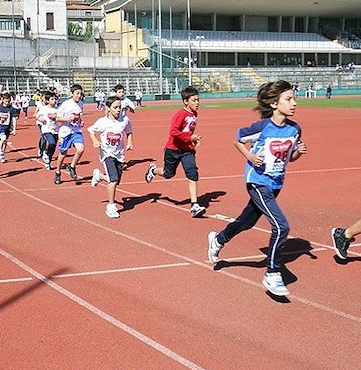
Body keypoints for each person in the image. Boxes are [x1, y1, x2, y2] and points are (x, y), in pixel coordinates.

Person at [207, 80, 308, 297]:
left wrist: (298, 151)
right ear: (273, 104)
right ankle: (272, 273)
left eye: (294, 98)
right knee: (281, 227)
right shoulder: (262, 127)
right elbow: (238, 139)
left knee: (246, 222)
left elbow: (290, 157)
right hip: (257, 181)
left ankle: (218, 239)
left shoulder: (295, 129)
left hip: (276, 183)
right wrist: (250, 156)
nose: (294, 103)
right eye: (289, 99)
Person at [144, 86, 206, 218]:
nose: (197, 102)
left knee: (192, 173)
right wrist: (190, 138)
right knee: (168, 174)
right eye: (194, 100)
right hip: (173, 149)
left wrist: (192, 141)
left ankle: (194, 205)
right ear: (185, 101)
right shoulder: (180, 114)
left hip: (187, 150)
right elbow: (173, 132)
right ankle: (153, 170)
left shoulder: (195, 114)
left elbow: (188, 131)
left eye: (198, 100)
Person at [88, 96, 133, 218]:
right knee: (113, 179)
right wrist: (95, 141)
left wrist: (129, 142)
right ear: (108, 108)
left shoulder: (125, 120)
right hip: (107, 153)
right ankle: (111, 206)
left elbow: (129, 131)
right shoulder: (103, 122)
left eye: (120, 107)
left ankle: (99, 176)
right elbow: (91, 130)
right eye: (115, 107)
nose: (118, 110)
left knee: (116, 180)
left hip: (119, 154)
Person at [54, 84, 85, 184]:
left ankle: (72, 166)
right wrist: (67, 119)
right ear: (72, 94)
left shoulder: (81, 103)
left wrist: (80, 122)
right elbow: (57, 118)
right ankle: (58, 172)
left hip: (76, 131)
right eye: (77, 93)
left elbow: (79, 116)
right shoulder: (65, 105)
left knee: (80, 149)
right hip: (65, 132)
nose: (79, 95)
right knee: (63, 153)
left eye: (80, 93)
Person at [35, 90, 58, 170]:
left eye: (55, 99)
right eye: (52, 99)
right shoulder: (44, 109)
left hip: (55, 129)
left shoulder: (57, 108)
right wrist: (41, 119)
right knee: (51, 143)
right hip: (46, 129)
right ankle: (46, 153)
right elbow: (37, 116)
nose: (54, 100)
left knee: (54, 146)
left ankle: (48, 161)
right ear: (48, 101)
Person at [0, 92, 18, 163]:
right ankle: (0, 150)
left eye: (8, 101)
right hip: (0, 127)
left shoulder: (12, 109)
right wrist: (0, 120)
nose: (7, 103)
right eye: (6, 101)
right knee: (3, 138)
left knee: (5, 141)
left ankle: (2, 153)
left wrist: (14, 129)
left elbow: (14, 119)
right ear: (2, 100)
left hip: (7, 128)